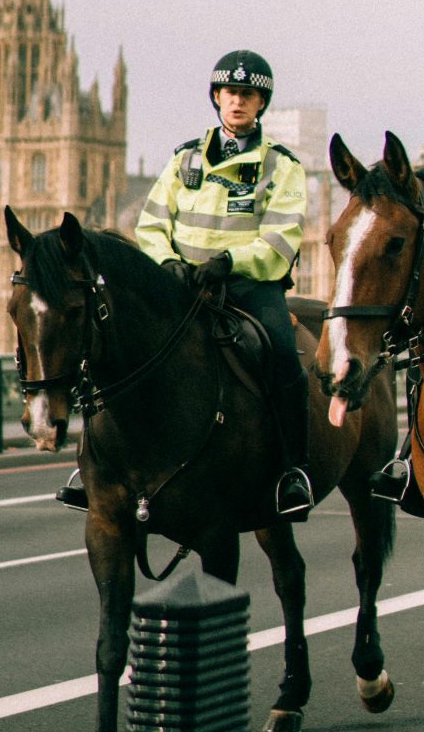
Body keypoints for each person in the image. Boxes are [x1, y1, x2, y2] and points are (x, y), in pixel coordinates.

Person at [131, 47, 314, 518]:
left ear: (261, 104)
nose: (237, 101)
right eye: (230, 92)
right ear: (216, 97)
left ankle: (294, 469)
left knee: (282, 356)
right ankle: (107, 464)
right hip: (182, 285)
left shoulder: (283, 165)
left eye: (247, 95)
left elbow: (281, 238)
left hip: (248, 287)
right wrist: (167, 262)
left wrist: (229, 262)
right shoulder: (184, 159)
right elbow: (151, 224)